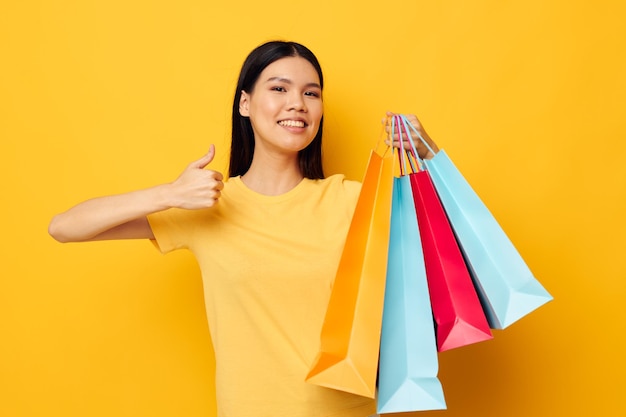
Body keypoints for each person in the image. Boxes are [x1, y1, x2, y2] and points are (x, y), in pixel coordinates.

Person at [49, 40, 439, 417]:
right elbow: (65, 227)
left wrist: (428, 153)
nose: (297, 104)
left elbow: (450, 249)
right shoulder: (207, 206)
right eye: (279, 88)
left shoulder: (353, 199)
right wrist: (169, 193)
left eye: (311, 93)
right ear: (245, 103)